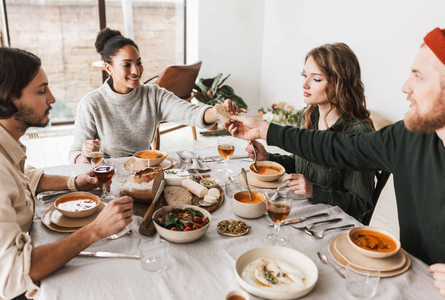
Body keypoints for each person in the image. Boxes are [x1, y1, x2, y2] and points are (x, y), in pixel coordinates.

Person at [227, 27, 445, 296]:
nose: (404, 87)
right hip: (413, 275)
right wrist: (266, 138)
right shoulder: (409, 136)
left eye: (419, 76)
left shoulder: (364, 128)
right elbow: (335, 149)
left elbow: (360, 202)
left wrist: (313, 190)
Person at [0, 47, 134, 299]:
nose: (52, 99)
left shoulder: (3, 143)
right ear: (8, 98)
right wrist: (96, 230)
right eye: (41, 90)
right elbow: (14, 275)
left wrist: (74, 182)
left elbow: (24, 177)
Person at [69, 28, 243, 163]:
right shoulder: (91, 103)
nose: (136, 71)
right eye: (127, 65)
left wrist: (219, 110)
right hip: (110, 172)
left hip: (147, 167)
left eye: (138, 63)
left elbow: (190, 112)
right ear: (109, 68)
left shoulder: (153, 95)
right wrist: (85, 156)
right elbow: (74, 154)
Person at [246, 43, 375, 220]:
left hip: (333, 224)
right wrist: (268, 158)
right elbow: (300, 164)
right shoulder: (308, 116)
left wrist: (315, 191)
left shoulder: (359, 132)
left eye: (316, 79)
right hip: (301, 212)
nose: (304, 84)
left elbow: (361, 203)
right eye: (304, 75)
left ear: (339, 83)